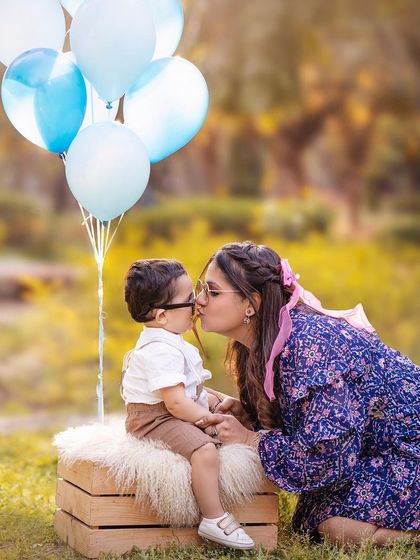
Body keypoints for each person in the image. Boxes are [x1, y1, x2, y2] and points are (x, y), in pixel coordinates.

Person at [194, 241, 419, 546]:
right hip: (373, 452)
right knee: (314, 518)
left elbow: (329, 456)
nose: (199, 300)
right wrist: (247, 416)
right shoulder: (262, 343)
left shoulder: (312, 347)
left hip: (408, 448)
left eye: (213, 291)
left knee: (334, 527)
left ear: (252, 304)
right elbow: (305, 419)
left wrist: (249, 440)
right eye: (201, 288)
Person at [121, 258, 254, 550]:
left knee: (217, 402)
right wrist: (207, 419)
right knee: (206, 451)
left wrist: (213, 399)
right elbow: (177, 405)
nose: (197, 305)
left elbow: (185, 390)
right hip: (153, 420)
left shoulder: (170, 340)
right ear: (162, 316)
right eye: (189, 300)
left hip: (168, 409)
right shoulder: (160, 350)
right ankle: (213, 517)